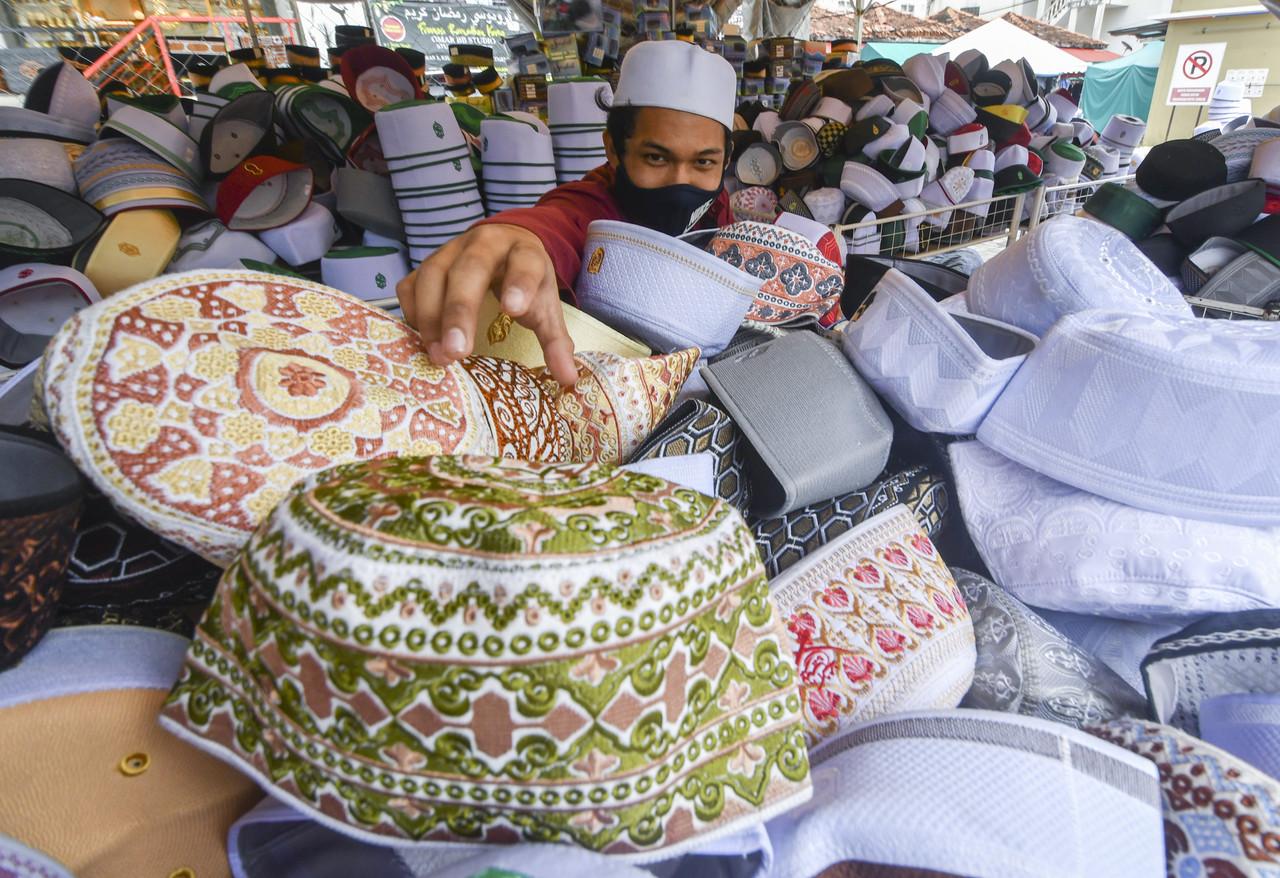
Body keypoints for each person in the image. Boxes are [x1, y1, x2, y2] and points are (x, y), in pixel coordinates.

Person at [396, 40, 739, 385]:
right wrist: (515, 237)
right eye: (656, 158)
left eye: (703, 162)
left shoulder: (716, 205)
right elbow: (554, 225)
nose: (680, 181)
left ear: (725, 160)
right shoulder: (592, 208)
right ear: (613, 149)